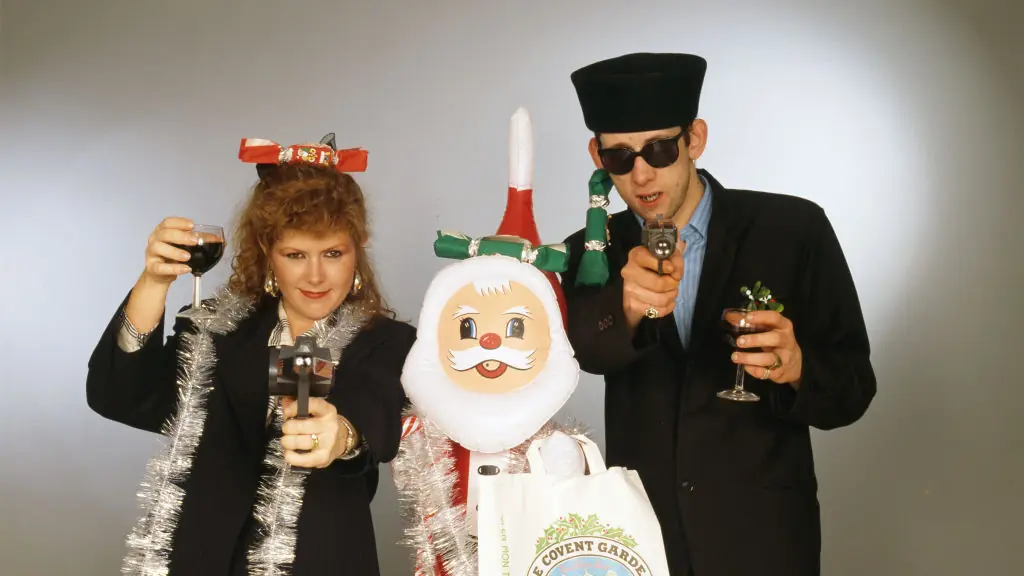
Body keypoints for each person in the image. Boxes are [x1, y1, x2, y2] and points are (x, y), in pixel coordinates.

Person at [559, 52, 876, 576]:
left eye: (660, 149)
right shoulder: (592, 251)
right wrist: (626, 308)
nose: (641, 174)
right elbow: (587, 353)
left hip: (765, 540)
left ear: (695, 140)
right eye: (619, 157)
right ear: (598, 156)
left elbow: (853, 390)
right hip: (640, 543)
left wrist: (796, 368)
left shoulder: (793, 230)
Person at [86, 133, 415, 575]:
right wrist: (154, 282)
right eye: (295, 254)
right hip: (197, 559)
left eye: (333, 253)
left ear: (359, 248)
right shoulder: (217, 333)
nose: (316, 275)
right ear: (267, 252)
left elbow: (374, 417)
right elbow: (117, 394)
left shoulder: (388, 342)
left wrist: (340, 436)